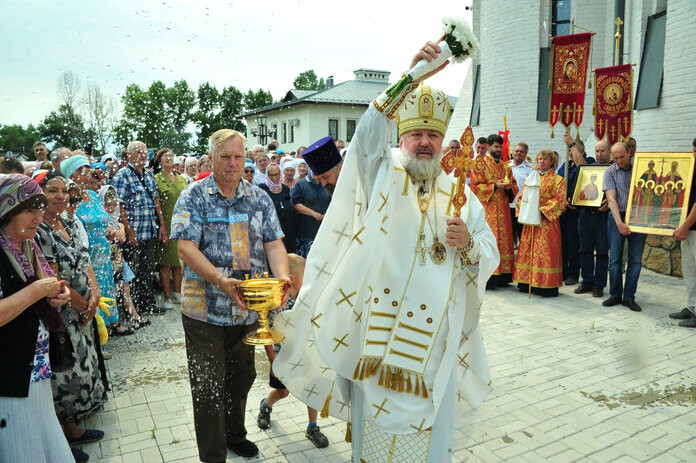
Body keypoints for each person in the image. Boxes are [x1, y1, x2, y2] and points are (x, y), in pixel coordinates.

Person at [273, 41, 499, 463]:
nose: (425, 143)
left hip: (435, 347)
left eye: (433, 134)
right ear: (403, 136)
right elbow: (367, 132)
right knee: (375, 446)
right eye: (417, 134)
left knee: (429, 444)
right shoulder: (384, 173)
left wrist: (467, 244)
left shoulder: (462, 196)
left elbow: (490, 252)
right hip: (376, 342)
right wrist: (410, 76)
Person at [171, 128, 290, 462]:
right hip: (204, 309)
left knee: (242, 376)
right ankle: (213, 455)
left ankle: (235, 434)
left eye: (239, 156)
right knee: (208, 386)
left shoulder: (259, 197)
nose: (233, 163)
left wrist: (282, 277)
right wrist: (220, 279)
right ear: (211, 158)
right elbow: (184, 247)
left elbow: (273, 241)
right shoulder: (193, 195)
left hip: (248, 308)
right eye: (225, 156)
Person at [0, 173, 74, 463]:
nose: (38, 217)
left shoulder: (28, 247)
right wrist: (36, 291)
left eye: (39, 210)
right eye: (30, 210)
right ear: (8, 209)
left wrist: (56, 297)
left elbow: (42, 293)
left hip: (35, 371)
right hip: (10, 380)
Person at [35, 172, 106, 462]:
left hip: (81, 310)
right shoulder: (39, 230)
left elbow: (83, 260)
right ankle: (62, 442)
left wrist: (95, 295)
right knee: (63, 374)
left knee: (80, 368)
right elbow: (53, 276)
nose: (61, 196)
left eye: (65, 191)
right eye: (53, 191)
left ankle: (73, 428)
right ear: (39, 193)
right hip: (62, 313)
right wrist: (83, 305)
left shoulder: (64, 222)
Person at [256, 253, 328, 448]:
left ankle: (313, 426)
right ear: (295, 279)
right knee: (283, 391)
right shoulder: (276, 305)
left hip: (305, 355)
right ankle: (265, 406)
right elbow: (267, 336)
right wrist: (273, 362)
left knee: (311, 389)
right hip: (282, 358)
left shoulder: (306, 301)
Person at [62, 156, 132, 335]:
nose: (84, 175)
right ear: (69, 174)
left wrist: (109, 228)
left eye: (86, 170)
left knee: (106, 286)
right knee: (92, 290)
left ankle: (111, 325)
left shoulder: (92, 196)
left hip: (103, 250)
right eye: (79, 171)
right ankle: (97, 331)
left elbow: (103, 217)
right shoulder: (69, 200)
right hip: (88, 254)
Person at [112, 141, 168, 317]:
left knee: (148, 269)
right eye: (138, 152)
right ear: (128, 155)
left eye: (144, 152)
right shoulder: (122, 175)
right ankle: (134, 307)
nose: (142, 155)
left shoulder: (149, 175)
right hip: (134, 232)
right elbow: (119, 207)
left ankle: (148, 303)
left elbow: (156, 201)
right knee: (133, 270)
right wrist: (129, 231)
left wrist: (162, 226)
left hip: (149, 230)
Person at [513, 150, 567, 296]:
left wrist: (541, 210)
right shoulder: (530, 177)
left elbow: (559, 200)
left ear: (552, 162)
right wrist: (525, 210)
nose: (541, 161)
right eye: (540, 159)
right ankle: (526, 282)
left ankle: (545, 285)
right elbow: (521, 197)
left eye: (545, 159)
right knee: (528, 251)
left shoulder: (558, 180)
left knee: (545, 253)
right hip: (530, 221)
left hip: (546, 222)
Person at [602, 142, 646, 312]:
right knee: (615, 259)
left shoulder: (640, 168)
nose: (619, 160)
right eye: (616, 157)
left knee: (635, 260)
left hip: (638, 217)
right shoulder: (610, 172)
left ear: (630, 153)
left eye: (622, 156)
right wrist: (619, 223)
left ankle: (629, 297)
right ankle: (614, 295)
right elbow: (611, 199)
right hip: (616, 216)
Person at [470, 133, 518, 287]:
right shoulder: (481, 165)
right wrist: (495, 186)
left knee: (504, 242)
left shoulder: (506, 166)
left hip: (503, 210)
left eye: (500, 146)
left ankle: (504, 276)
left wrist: (510, 187)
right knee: (491, 239)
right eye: (496, 146)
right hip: (488, 210)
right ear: (489, 147)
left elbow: (514, 185)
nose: (499, 149)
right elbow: (474, 187)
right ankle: (490, 277)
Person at [100, 186, 149, 329]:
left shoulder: (117, 222)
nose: (111, 208)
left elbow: (121, 238)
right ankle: (112, 322)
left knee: (125, 287)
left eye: (114, 205)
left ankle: (133, 316)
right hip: (105, 260)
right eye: (108, 205)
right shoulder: (100, 222)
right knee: (110, 290)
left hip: (117, 259)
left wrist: (114, 231)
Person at [575, 139, 612, 298]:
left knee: (602, 252)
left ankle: (599, 285)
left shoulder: (613, 169)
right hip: (585, 215)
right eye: (597, 151)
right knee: (584, 250)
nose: (599, 154)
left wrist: (609, 203)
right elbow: (582, 191)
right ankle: (587, 282)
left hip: (603, 218)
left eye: (602, 151)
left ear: (609, 152)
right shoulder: (588, 169)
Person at [558, 134, 595, 285]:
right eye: (569, 150)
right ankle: (563, 271)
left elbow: (583, 169)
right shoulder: (565, 166)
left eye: (574, 149)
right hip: (563, 209)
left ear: (582, 150)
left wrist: (572, 143)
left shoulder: (590, 161)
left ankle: (573, 273)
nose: (571, 152)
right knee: (563, 243)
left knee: (575, 244)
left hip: (577, 211)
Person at [153, 148, 188, 310]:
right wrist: (162, 226)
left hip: (181, 224)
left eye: (170, 156)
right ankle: (167, 297)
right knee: (166, 263)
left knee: (179, 261)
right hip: (165, 223)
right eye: (164, 156)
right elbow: (157, 203)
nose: (168, 158)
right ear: (159, 161)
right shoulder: (156, 179)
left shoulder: (182, 179)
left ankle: (177, 292)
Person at [670, 137, 696, 328]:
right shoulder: (691, 171)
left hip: (692, 228)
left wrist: (684, 226)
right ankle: (692, 306)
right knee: (690, 272)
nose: (694, 155)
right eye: (694, 151)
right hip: (687, 229)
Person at [292, 140, 332, 257]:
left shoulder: (326, 183)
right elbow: (296, 204)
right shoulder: (301, 184)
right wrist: (315, 214)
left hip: (325, 227)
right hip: (307, 229)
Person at [259, 164, 297, 253]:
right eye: (271, 175)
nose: (275, 178)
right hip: (272, 231)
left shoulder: (286, 189)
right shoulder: (262, 189)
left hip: (287, 230)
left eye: (277, 174)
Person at [509, 142, 534, 246]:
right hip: (508, 206)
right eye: (516, 151)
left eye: (521, 151)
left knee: (523, 235)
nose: (518, 153)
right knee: (508, 235)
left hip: (523, 207)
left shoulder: (531, 169)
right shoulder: (505, 166)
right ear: (512, 152)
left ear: (525, 154)